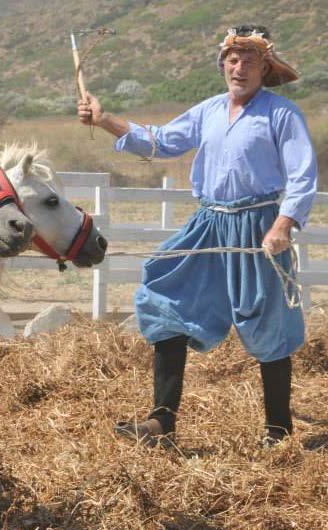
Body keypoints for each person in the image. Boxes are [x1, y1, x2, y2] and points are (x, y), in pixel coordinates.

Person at [77, 25, 318, 446]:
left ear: (265, 67)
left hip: (257, 226)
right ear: (222, 64)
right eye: (232, 59)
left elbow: (301, 175)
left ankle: (278, 432)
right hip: (208, 224)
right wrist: (105, 119)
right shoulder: (208, 110)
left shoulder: (282, 115)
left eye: (248, 60)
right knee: (165, 297)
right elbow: (161, 142)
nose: (238, 67)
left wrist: (283, 224)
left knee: (268, 322)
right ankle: (161, 423)